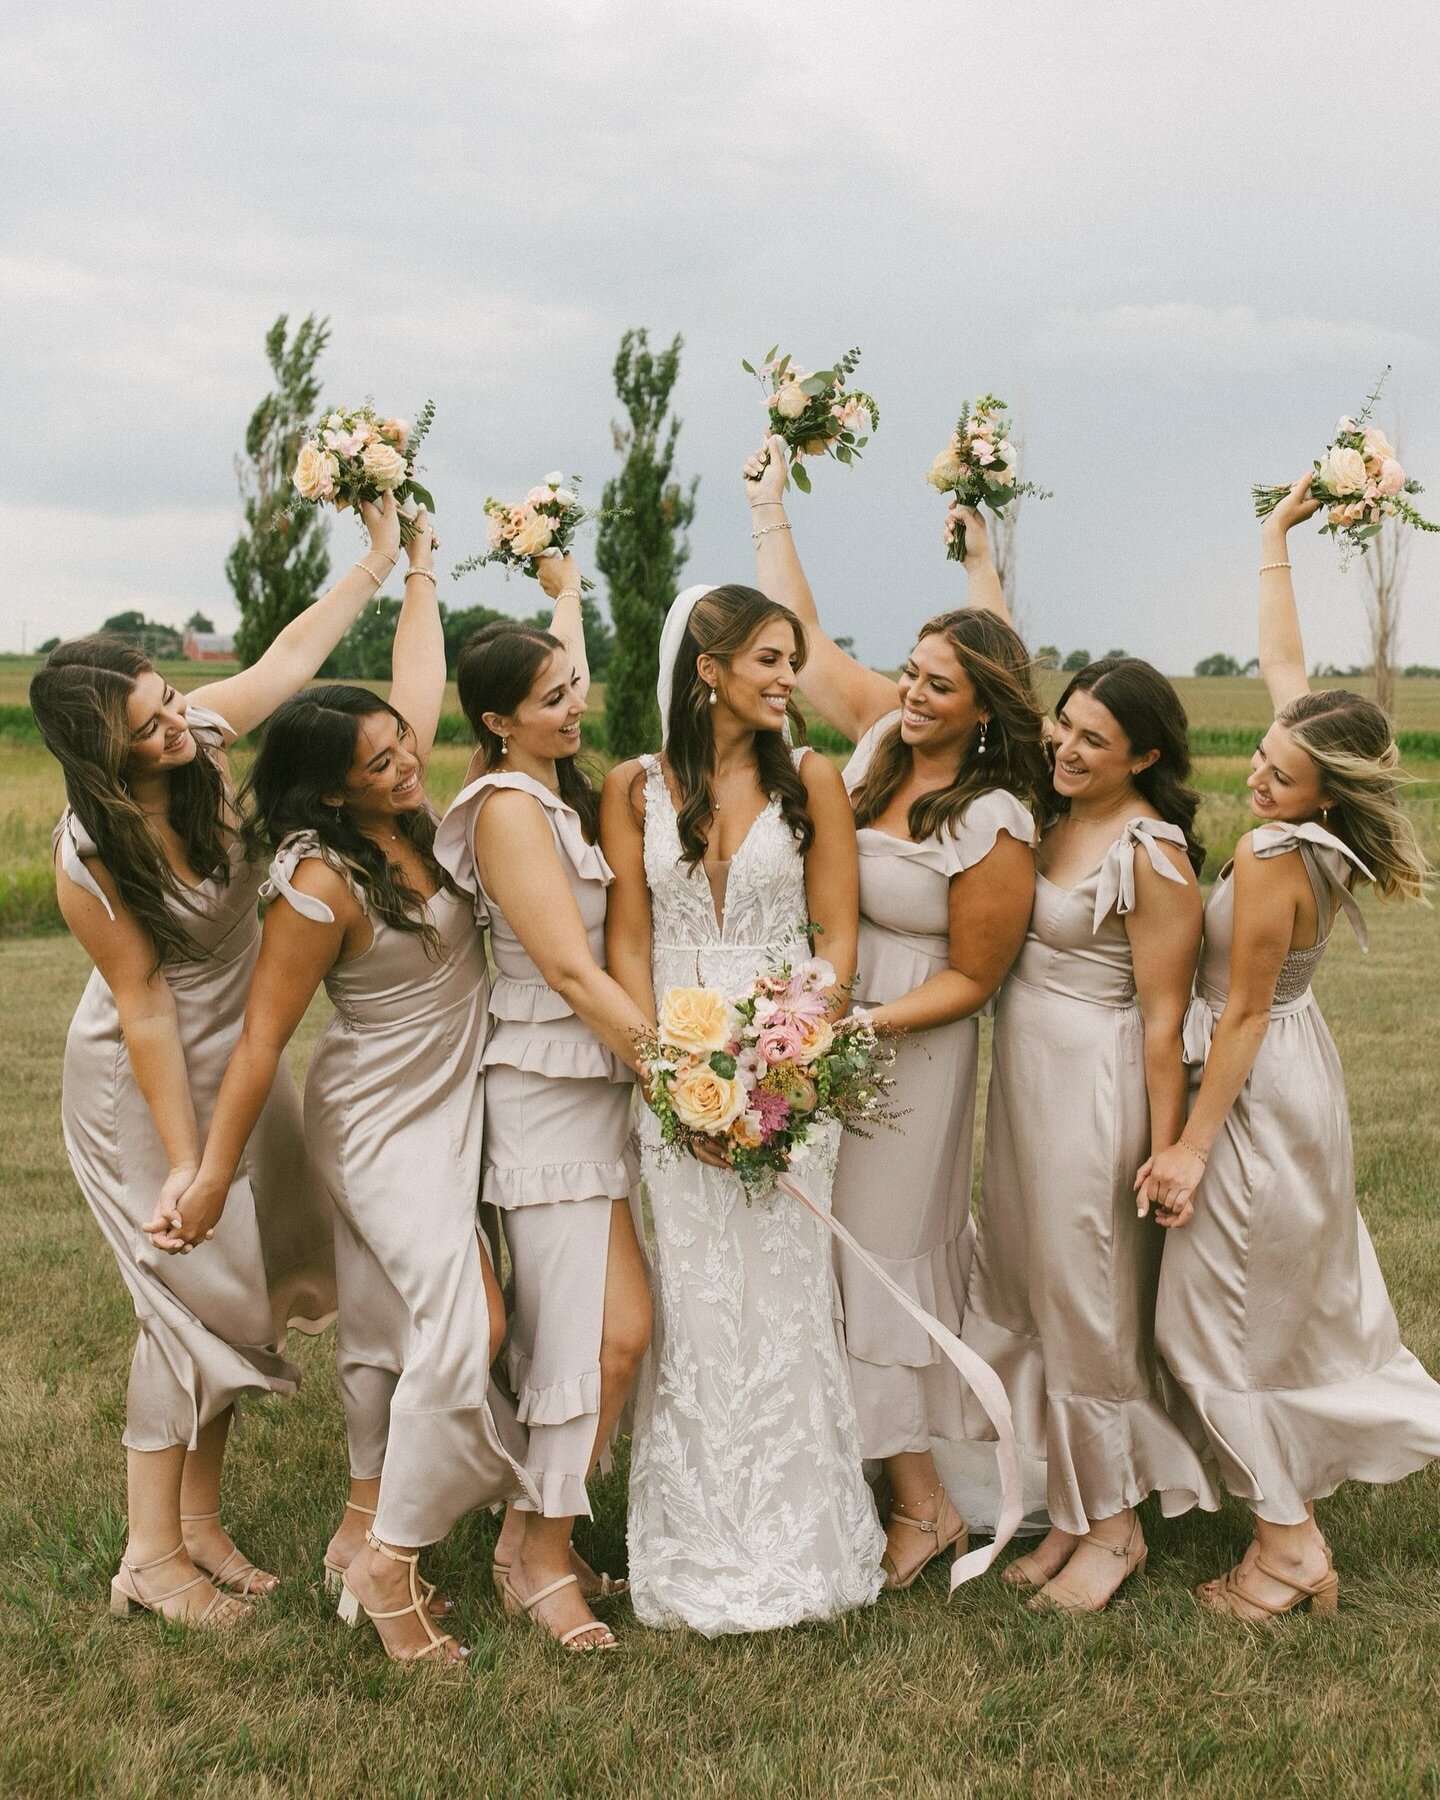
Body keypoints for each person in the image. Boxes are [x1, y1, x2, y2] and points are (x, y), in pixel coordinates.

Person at [29, 495, 404, 1628]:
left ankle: (198, 1526)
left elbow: (293, 655)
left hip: (243, 1053)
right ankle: (147, 1557)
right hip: (142, 1084)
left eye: (163, 705)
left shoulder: (203, 731)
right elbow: (141, 1009)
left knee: (236, 1292)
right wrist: (190, 1170)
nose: (172, 731)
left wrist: (377, 558)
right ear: (97, 760)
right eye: (143, 732)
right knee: (184, 1298)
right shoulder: (91, 855)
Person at [166, 511, 527, 1664]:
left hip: (452, 1091)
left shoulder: (407, 813)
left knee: (381, 1325)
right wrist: (215, 1172)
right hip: (375, 1114)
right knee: (470, 1322)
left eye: (400, 745)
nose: (403, 759)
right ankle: (390, 1563)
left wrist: (418, 565)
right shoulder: (319, 879)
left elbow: (415, 685)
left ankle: (360, 1521)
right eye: (377, 759)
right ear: (330, 787)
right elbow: (263, 1042)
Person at [741, 436, 1046, 1588]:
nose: (912, 694)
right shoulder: (877, 743)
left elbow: (975, 977)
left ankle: (922, 1503)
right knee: (822, 1251)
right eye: (912, 673)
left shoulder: (997, 819)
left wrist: (862, 1024)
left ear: (983, 708)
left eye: (937, 685)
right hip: (823, 1026)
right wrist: (773, 512)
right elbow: (806, 644)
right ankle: (860, 1475)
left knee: (878, 1261)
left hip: (909, 1051)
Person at [1140, 475, 1440, 1621]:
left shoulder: (1274, 854)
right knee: (1270, 1313)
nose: (1256, 774)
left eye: (1278, 772)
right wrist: (1274, 534)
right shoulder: (1317, 817)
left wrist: (1191, 1152)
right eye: (1263, 755)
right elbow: (1285, 664)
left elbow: (1247, 1014)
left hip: (1253, 1094)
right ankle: (1281, 1520)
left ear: (1323, 792)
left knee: (1202, 1324)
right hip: (1295, 1078)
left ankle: (1288, 1547)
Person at [602, 579, 888, 1636]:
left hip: (787, 1067)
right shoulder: (631, 785)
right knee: (691, 1297)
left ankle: (800, 1535)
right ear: (708, 669)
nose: (786, 679)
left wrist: (796, 1051)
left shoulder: (813, 778)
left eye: (791, 660)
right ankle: (691, 1537)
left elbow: (838, 935)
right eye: (768, 659)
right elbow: (626, 940)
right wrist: (660, 1071)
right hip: (670, 1066)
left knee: (783, 1295)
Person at [960, 656, 1219, 1613]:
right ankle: (1073, 1507)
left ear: (1144, 755)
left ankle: (1118, 1529)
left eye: (1093, 740)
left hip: (1096, 1098)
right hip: (1025, 1092)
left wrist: (1167, 1151)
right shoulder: (1059, 819)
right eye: (1064, 725)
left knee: (1091, 1312)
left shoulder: (1150, 855)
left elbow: (1163, 1022)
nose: (1066, 747)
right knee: (1032, 1295)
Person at [432, 551, 653, 1654]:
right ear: (497, 720)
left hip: (591, 1086)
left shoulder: (549, 792)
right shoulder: (506, 809)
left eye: (576, 688)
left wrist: (566, 584)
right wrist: (675, 1069)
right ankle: (538, 1555)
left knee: (622, 1331)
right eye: (553, 698)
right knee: (590, 1337)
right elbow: (568, 969)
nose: (576, 707)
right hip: (544, 1085)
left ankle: (534, 1534)